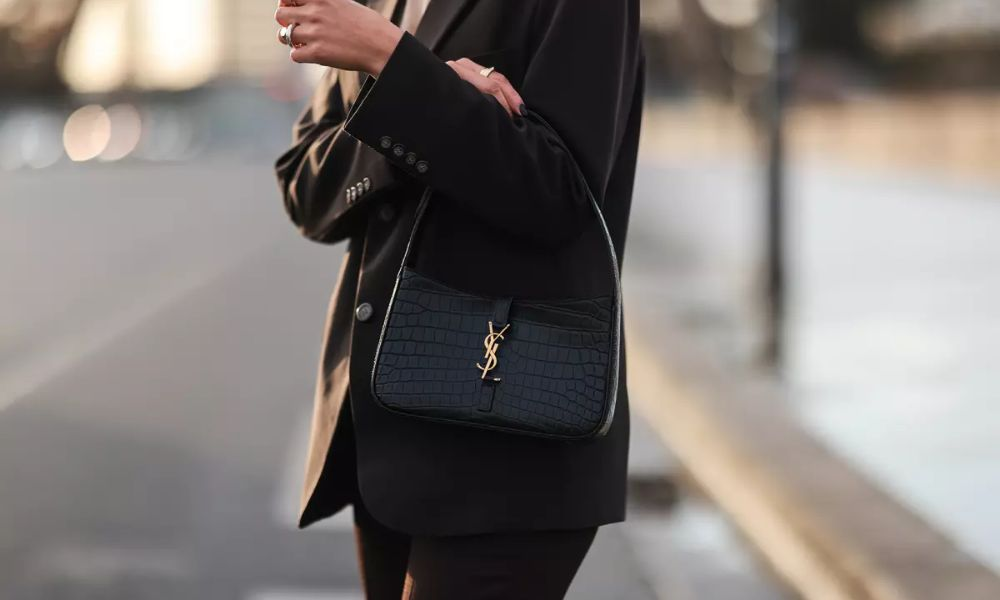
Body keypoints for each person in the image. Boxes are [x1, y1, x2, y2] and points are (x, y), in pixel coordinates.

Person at [274, 0, 644, 597]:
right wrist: (416, 93)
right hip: (386, 431)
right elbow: (305, 190)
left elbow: (558, 194)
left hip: (512, 438)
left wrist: (393, 62)